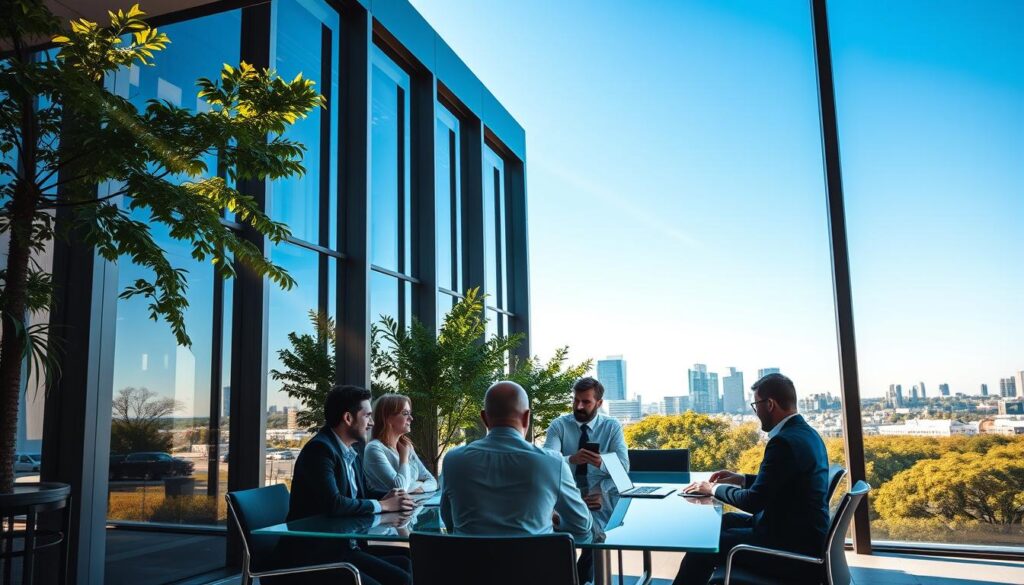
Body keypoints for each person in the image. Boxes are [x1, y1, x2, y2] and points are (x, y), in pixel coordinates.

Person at [675, 373, 829, 585]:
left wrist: (713, 489)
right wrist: (741, 479)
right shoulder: (806, 434)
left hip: (789, 550)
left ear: (770, 404)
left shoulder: (783, 442)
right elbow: (785, 482)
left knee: (703, 546)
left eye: (756, 405)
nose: (756, 412)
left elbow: (753, 501)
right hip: (797, 533)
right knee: (724, 521)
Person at [282, 385, 417, 585]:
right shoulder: (320, 450)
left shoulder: (349, 451)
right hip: (318, 554)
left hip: (347, 547)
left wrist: (394, 496)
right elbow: (334, 504)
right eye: (367, 416)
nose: (372, 422)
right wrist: (385, 505)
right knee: (400, 579)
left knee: (408, 562)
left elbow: (364, 493)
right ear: (348, 418)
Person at [439, 381, 593, 541]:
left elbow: (449, 522)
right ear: (527, 417)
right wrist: (550, 517)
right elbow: (581, 525)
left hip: (469, 565)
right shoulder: (553, 463)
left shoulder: (453, 461)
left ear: (484, 418)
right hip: (535, 565)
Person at [544, 376, 629, 584]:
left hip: (602, 498)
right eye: (576, 400)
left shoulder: (611, 427)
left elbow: (623, 469)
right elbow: (547, 462)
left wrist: (601, 462)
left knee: (597, 533)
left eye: (586, 401)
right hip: (562, 493)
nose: (579, 406)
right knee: (560, 534)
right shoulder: (559, 425)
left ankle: (579, 579)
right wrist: (571, 459)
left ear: (599, 403)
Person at [363, 393, 438, 495]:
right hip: (391, 511)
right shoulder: (374, 449)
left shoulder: (406, 446)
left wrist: (420, 488)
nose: (411, 418)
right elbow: (400, 488)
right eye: (405, 413)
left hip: (414, 506)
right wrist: (404, 458)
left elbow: (432, 481)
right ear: (387, 418)